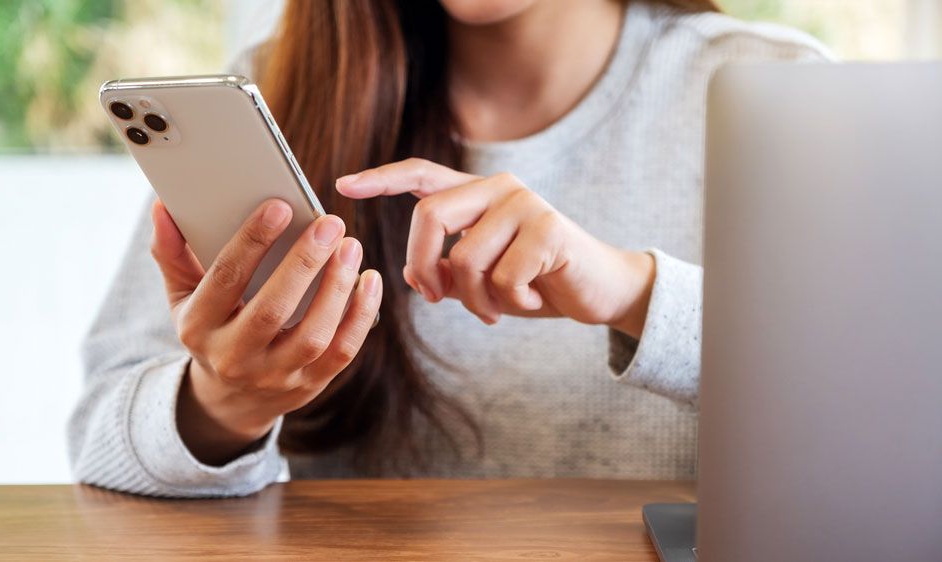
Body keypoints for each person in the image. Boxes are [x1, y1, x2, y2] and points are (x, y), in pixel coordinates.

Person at [70, 0, 830, 496]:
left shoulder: (772, 90)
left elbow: (882, 417)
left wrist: (635, 294)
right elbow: (100, 439)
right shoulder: (279, 88)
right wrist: (220, 405)